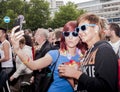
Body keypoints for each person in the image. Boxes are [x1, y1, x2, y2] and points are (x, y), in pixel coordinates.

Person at [10, 21, 83, 92]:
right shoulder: (55, 54)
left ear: (80, 35)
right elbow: (33, 65)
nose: (70, 37)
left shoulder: (84, 56)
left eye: (74, 34)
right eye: (67, 34)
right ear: (64, 36)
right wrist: (18, 50)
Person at [58, 13, 118, 92]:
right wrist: (76, 72)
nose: (79, 32)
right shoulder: (89, 51)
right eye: (78, 29)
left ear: (96, 28)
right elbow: (89, 79)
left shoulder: (104, 50)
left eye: (83, 28)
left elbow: (106, 87)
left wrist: (75, 74)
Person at [0, 27, 13, 92]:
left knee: (5, 85)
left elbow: (7, 57)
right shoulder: (2, 43)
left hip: (7, 68)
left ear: (4, 34)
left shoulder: (5, 43)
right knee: (3, 86)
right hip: (4, 67)